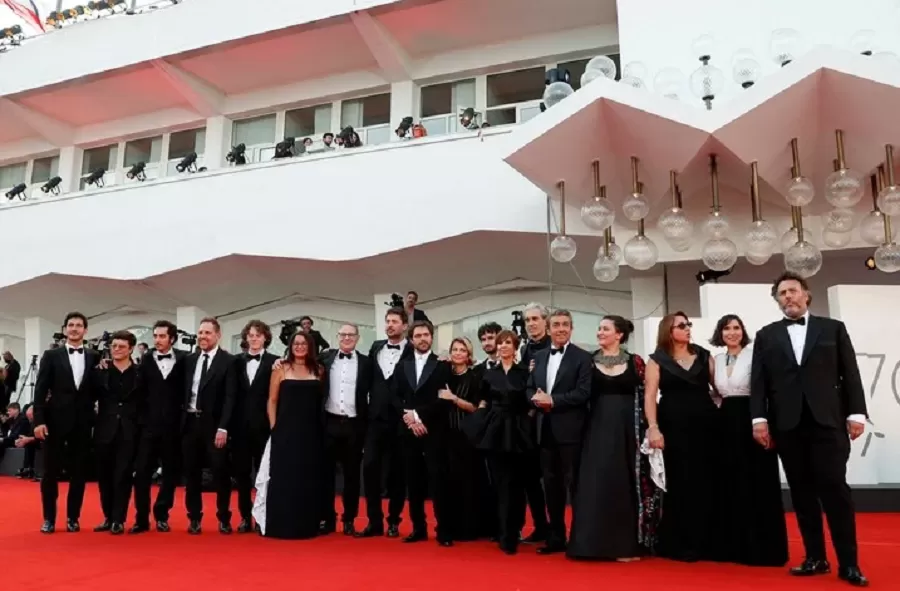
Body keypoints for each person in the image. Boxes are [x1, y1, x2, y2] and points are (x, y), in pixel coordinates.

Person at [750, 272, 868, 586]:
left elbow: (850, 373)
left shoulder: (833, 328)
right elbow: (759, 382)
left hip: (828, 421)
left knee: (835, 492)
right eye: (781, 293)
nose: (787, 296)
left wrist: (857, 413)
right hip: (787, 425)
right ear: (777, 301)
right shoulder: (766, 335)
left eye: (792, 290)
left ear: (806, 294)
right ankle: (815, 557)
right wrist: (758, 420)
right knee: (801, 494)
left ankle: (849, 564)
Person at [568, 316, 662, 561]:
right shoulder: (587, 363)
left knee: (624, 483)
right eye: (599, 328)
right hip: (595, 431)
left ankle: (625, 545)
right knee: (596, 483)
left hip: (628, 432)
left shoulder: (636, 362)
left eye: (605, 329)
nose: (599, 332)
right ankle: (591, 545)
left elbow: (646, 397)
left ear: (619, 335)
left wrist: (651, 428)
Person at [710, 314, 788, 566]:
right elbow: (715, 392)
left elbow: (766, 389)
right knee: (731, 482)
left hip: (754, 420)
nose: (732, 333)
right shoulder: (717, 360)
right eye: (726, 329)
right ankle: (733, 546)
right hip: (725, 425)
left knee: (758, 482)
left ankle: (763, 548)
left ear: (743, 331)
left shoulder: (757, 355)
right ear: (720, 333)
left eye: (736, 328)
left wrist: (766, 422)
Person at [644, 311, 721, 562]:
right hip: (673, 426)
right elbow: (650, 396)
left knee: (706, 481)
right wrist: (653, 427)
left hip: (706, 426)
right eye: (681, 325)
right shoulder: (657, 360)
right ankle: (679, 542)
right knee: (680, 482)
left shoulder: (703, 355)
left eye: (688, 325)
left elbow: (719, 388)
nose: (688, 328)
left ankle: (708, 542)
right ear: (669, 331)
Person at [527, 309, 592, 554]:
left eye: (565, 324)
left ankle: (579, 538)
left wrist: (552, 401)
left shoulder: (583, 358)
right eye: (556, 324)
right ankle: (555, 537)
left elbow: (584, 393)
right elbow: (530, 387)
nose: (561, 328)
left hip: (572, 431)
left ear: (571, 328)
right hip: (545, 431)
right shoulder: (540, 356)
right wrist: (535, 399)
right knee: (551, 487)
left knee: (575, 486)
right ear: (549, 328)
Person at [465, 330, 534, 554]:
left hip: (519, 431)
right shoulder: (488, 374)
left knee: (517, 484)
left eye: (508, 343)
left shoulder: (525, 372)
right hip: (494, 431)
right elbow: (482, 400)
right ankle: (503, 532)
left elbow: (531, 401)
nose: (504, 346)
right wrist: (480, 424)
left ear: (515, 347)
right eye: (500, 343)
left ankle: (514, 531)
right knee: (500, 484)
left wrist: (527, 421)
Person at [253, 331, 327, 539]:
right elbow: (272, 400)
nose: (300, 347)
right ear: (290, 346)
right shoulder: (280, 368)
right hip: (285, 431)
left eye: (304, 343)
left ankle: (307, 525)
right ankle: (280, 525)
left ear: (310, 346)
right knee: (283, 477)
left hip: (311, 432)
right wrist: (275, 427)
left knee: (306, 477)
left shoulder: (319, 369)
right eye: (296, 343)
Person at [33, 312, 100, 534]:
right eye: (70, 325)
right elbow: (40, 390)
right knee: (50, 472)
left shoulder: (94, 356)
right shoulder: (51, 355)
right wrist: (39, 421)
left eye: (79, 325)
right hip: (54, 422)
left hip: (82, 423)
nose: (74, 328)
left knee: (79, 473)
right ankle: (49, 519)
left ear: (85, 331)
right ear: (64, 330)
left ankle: (73, 518)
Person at [393, 320, 453, 545]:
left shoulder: (442, 366)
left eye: (426, 335)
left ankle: (444, 531)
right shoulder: (402, 366)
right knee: (413, 481)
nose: (423, 339)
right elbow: (395, 396)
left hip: (434, 429)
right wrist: (409, 418)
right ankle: (418, 527)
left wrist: (418, 415)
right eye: (418, 335)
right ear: (411, 339)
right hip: (409, 431)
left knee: (439, 481)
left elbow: (444, 399)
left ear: (432, 337)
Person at [357, 307, 411, 538]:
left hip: (401, 420)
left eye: (395, 321)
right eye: (387, 321)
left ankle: (394, 521)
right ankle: (374, 521)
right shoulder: (376, 347)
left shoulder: (412, 350)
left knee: (398, 473)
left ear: (404, 325)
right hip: (375, 419)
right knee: (369, 468)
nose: (390, 325)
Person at [181, 317, 237, 535]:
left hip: (214, 426)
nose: (202, 337)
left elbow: (230, 397)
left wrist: (223, 427)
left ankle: (224, 517)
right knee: (191, 473)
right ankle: (194, 518)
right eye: (200, 333)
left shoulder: (229, 362)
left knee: (220, 473)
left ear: (218, 335)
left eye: (207, 333)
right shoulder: (189, 360)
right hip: (190, 423)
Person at [131, 320, 186, 534]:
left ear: (172, 338)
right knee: (142, 474)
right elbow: (138, 392)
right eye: (155, 336)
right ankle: (141, 519)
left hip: (173, 428)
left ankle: (162, 515)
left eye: (162, 336)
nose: (157, 340)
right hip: (148, 427)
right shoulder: (145, 360)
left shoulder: (184, 360)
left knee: (171, 474)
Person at [319, 323, 370, 536]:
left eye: (351, 335)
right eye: (343, 334)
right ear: (337, 337)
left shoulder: (367, 363)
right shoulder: (325, 359)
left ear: (357, 338)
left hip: (354, 425)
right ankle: (327, 519)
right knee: (325, 475)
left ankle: (349, 518)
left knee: (351, 476)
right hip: (328, 422)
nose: (347, 338)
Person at [91, 331, 144, 535]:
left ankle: (118, 519)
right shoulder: (100, 371)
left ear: (131, 348)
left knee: (122, 475)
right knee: (104, 476)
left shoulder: (140, 373)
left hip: (130, 431)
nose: (116, 350)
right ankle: (108, 517)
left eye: (121, 346)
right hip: (105, 429)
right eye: (114, 346)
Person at [230, 320, 279, 534]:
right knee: (242, 475)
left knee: (264, 475)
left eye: (258, 335)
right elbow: (230, 395)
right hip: (239, 428)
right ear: (245, 338)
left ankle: (262, 517)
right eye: (250, 335)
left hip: (264, 428)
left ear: (265, 337)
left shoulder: (276, 362)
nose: (254, 338)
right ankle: (244, 517)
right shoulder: (236, 362)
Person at [441, 337, 488, 541]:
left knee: (468, 482)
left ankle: (470, 528)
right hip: (446, 435)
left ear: (469, 355)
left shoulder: (475, 377)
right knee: (449, 483)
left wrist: (455, 399)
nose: (458, 353)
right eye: (455, 349)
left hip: (467, 436)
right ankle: (450, 527)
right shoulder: (444, 375)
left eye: (462, 350)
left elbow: (476, 408)